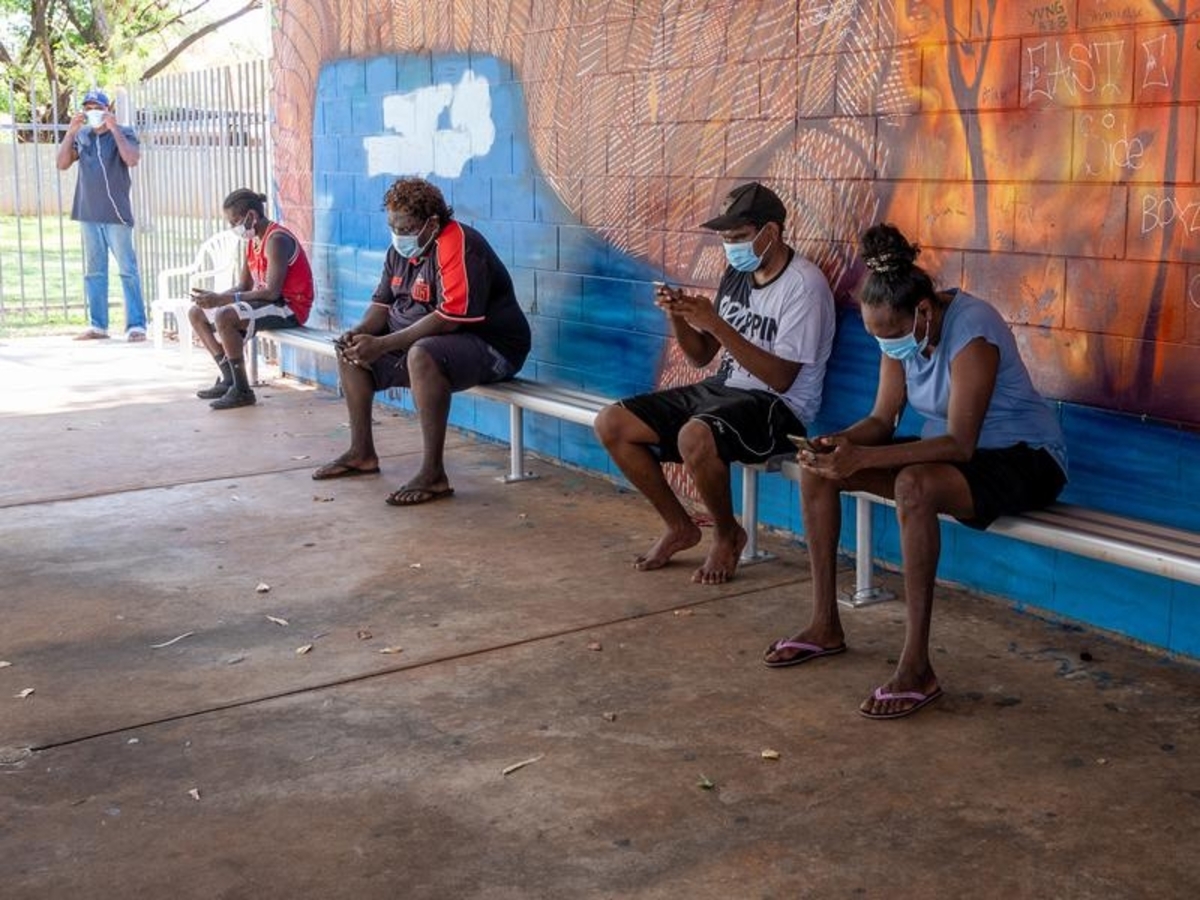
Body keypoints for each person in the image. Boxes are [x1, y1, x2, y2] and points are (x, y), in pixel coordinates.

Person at [765, 223, 1068, 720]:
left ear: (924, 311)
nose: (886, 346)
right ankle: (824, 625)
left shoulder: (973, 330)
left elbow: (960, 443)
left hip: (1024, 458)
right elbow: (882, 420)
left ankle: (917, 667)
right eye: (877, 337)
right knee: (821, 471)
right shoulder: (898, 331)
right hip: (947, 456)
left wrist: (863, 458)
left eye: (890, 336)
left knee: (913, 485)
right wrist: (840, 443)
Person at [594, 182, 836, 585]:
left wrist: (717, 324)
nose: (731, 247)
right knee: (612, 423)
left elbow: (781, 378)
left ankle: (727, 535)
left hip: (779, 407)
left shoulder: (804, 285)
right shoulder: (737, 274)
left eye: (739, 237)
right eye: (726, 239)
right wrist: (678, 317)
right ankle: (680, 527)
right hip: (725, 389)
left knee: (695, 436)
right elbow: (701, 355)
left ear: (771, 232)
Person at [312, 177, 531, 504]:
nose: (399, 235)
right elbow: (381, 306)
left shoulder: (458, 243)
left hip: (493, 349)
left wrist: (382, 345)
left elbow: (449, 319)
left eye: (406, 228)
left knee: (421, 354)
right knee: (351, 350)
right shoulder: (399, 252)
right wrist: (360, 332)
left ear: (432, 223)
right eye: (393, 227)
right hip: (431, 344)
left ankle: (433, 474)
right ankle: (361, 453)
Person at [187, 189, 315, 409]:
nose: (232, 227)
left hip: (289, 307)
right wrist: (214, 298)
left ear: (252, 216)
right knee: (197, 313)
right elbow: (243, 286)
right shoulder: (252, 241)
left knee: (225, 316)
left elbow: (272, 293)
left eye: (234, 222)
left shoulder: (277, 240)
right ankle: (229, 378)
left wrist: (223, 301)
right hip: (268, 303)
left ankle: (242, 390)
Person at [55, 89, 148, 342]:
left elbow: (131, 159)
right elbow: (62, 164)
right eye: (88, 108)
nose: (92, 111)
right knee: (94, 271)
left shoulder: (125, 132)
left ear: (108, 109)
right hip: (88, 214)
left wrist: (114, 128)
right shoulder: (82, 136)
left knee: (127, 270)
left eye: (97, 107)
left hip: (116, 215)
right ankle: (98, 326)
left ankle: (136, 326)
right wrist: (71, 132)